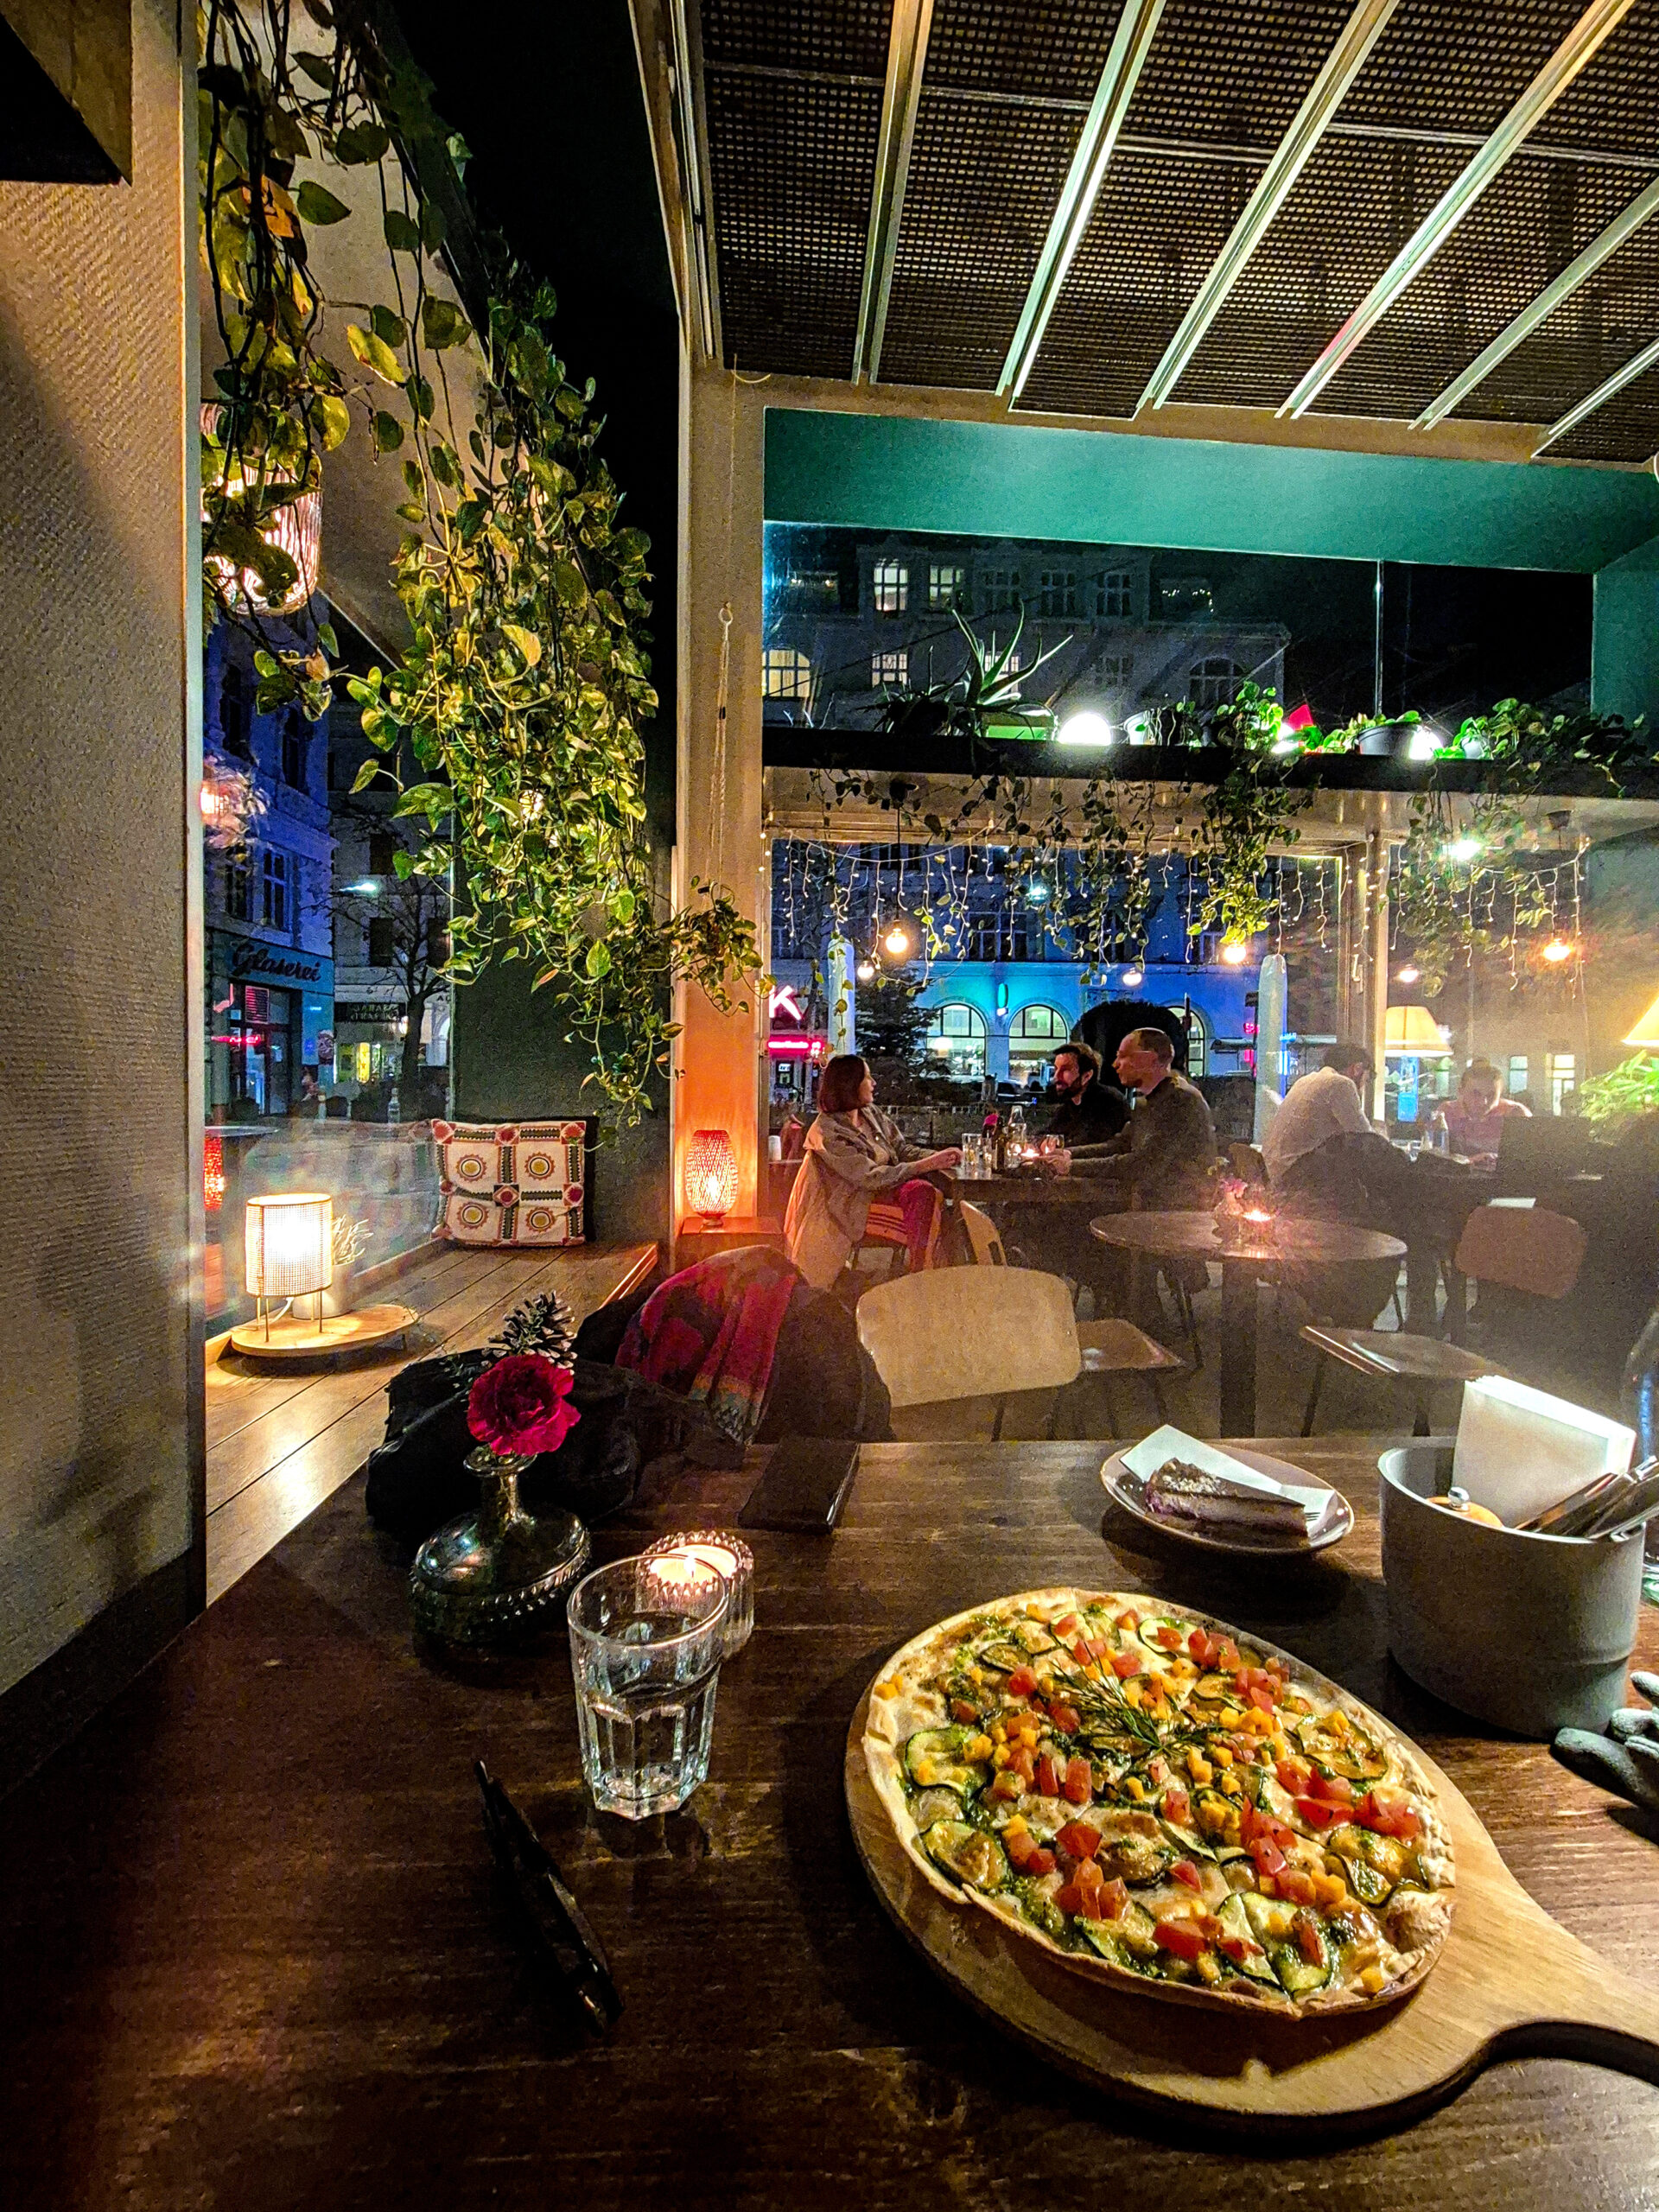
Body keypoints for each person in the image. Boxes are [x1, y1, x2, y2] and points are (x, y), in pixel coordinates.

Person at [1263, 1042, 1480, 1332]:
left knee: (1409, 1216)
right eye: (1366, 1078)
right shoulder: (1340, 1084)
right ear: (1357, 1069)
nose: (1363, 1085)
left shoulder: (1307, 1082)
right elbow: (1363, 1136)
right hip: (1305, 1185)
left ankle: (1419, 1314)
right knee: (1416, 1223)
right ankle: (1419, 1318)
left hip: (1287, 1183)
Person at [783, 1053, 961, 1291]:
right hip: (853, 1202)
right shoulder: (827, 1132)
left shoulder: (870, 1114)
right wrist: (925, 1165)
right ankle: (927, 1278)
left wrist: (941, 1157)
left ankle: (933, 1272)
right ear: (850, 1085)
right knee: (926, 1197)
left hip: (886, 1189)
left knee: (934, 1201)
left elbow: (900, 1149)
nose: (873, 1083)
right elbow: (869, 1178)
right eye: (867, 1077)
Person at [1053, 1028, 1217, 1209]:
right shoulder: (1150, 1100)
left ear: (1149, 1058)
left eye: (1123, 1056)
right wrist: (1068, 1154)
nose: (1115, 1064)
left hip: (1177, 1212)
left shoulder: (1179, 1100)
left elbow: (1144, 1164)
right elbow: (1120, 1144)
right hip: (1152, 1204)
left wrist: (1071, 1166)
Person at [1440, 1058, 1530, 1166]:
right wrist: (1470, 1161)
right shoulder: (1447, 1112)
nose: (1484, 1102)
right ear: (1461, 1092)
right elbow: (1434, 1156)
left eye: (1491, 1095)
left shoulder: (1515, 1114)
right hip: (1459, 1175)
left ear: (1500, 1094)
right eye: (1476, 1094)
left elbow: (1530, 1158)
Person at [1043, 1039, 1128, 1148]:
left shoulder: (1108, 1102)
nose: (1056, 1077)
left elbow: (1091, 1144)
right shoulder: (1068, 1106)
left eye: (1065, 1070)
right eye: (1056, 1069)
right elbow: (1046, 1134)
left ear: (1087, 1076)